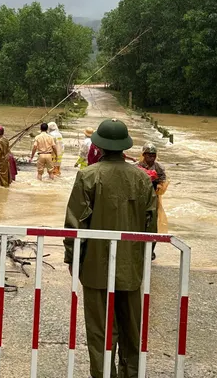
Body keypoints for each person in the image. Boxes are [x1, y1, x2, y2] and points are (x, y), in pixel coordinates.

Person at [64, 119, 157, 378]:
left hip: (95, 268)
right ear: (124, 146)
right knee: (131, 330)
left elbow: (74, 223)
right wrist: (143, 258)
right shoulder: (142, 178)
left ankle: (104, 374)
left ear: (100, 146)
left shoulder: (88, 175)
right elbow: (152, 226)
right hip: (131, 268)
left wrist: (73, 259)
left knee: (100, 332)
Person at [137, 142, 169, 260]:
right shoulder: (137, 166)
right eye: (149, 155)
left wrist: (157, 183)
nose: (151, 157)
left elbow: (164, 182)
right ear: (144, 155)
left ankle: (150, 250)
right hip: (139, 199)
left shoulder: (159, 167)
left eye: (153, 155)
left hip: (153, 198)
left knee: (152, 225)